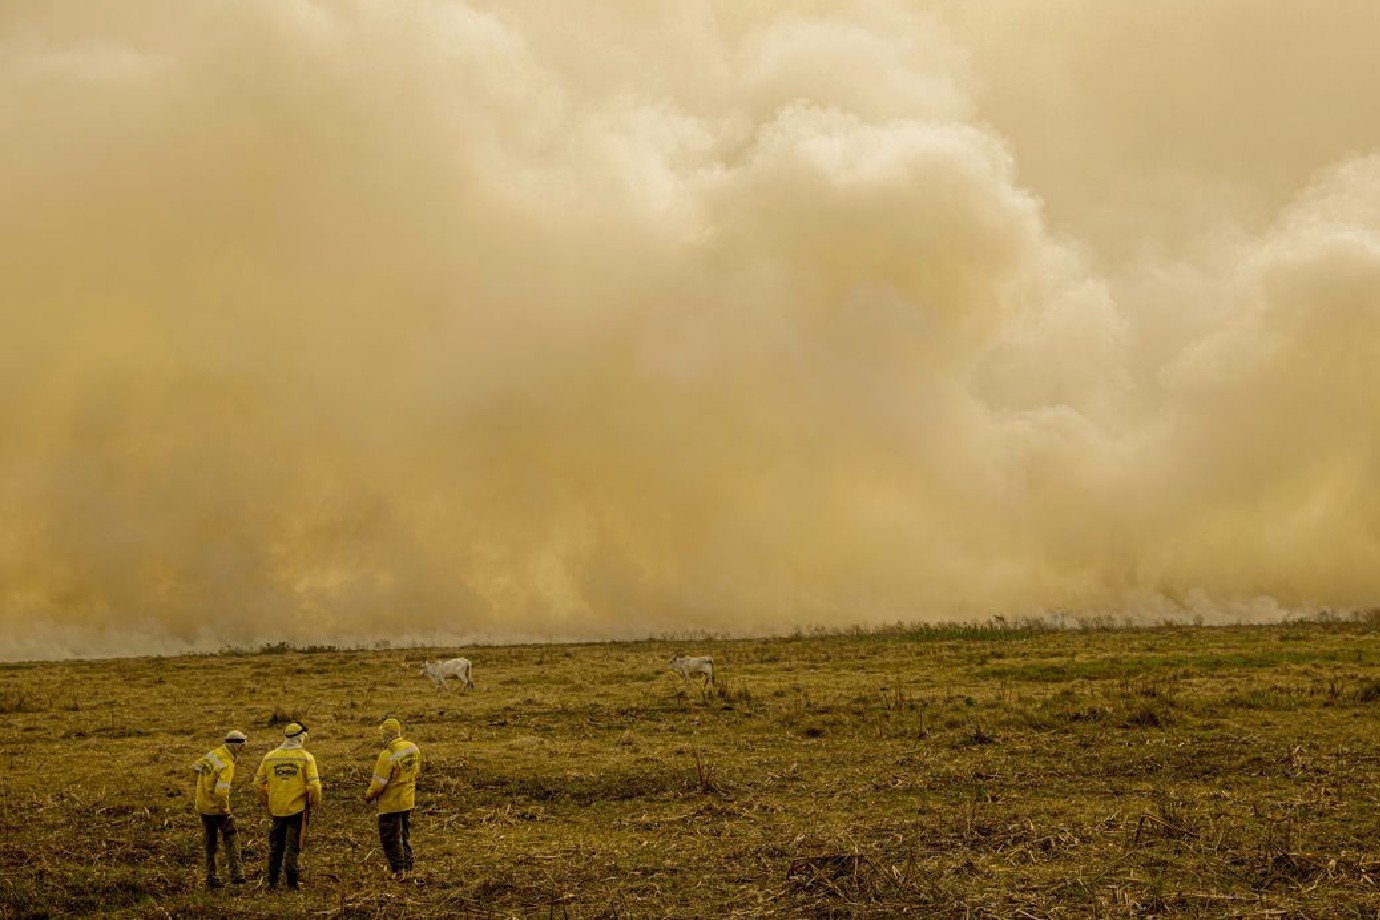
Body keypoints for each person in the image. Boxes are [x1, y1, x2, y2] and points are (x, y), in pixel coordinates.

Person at [253, 721, 322, 891]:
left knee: (276, 846)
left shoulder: (270, 757)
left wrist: (267, 801)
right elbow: (314, 786)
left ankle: (272, 882)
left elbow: (258, 783)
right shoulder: (306, 758)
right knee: (293, 846)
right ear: (301, 737)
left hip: (277, 809)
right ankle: (292, 883)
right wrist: (313, 803)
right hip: (297, 810)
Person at [363, 717, 422, 878]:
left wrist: (368, 795)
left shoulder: (387, 755)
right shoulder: (413, 749)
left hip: (390, 804)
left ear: (386, 734)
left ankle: (398, 871)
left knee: (390, 838)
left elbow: (378, 785)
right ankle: (409, 867)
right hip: (408, 800)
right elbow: (416, 772)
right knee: (404, 835)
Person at [192, 729, 248, 889]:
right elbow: (222, 791)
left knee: (210, 843)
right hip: (217, 808)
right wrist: (225, 810)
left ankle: (212, 877)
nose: (243, 748)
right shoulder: (227, 763)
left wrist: (202, 789)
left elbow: (196, 767)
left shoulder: (213, 754)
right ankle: (237, 875)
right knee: (231, 838)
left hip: (203, 806)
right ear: (235, 746)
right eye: (242, 745)